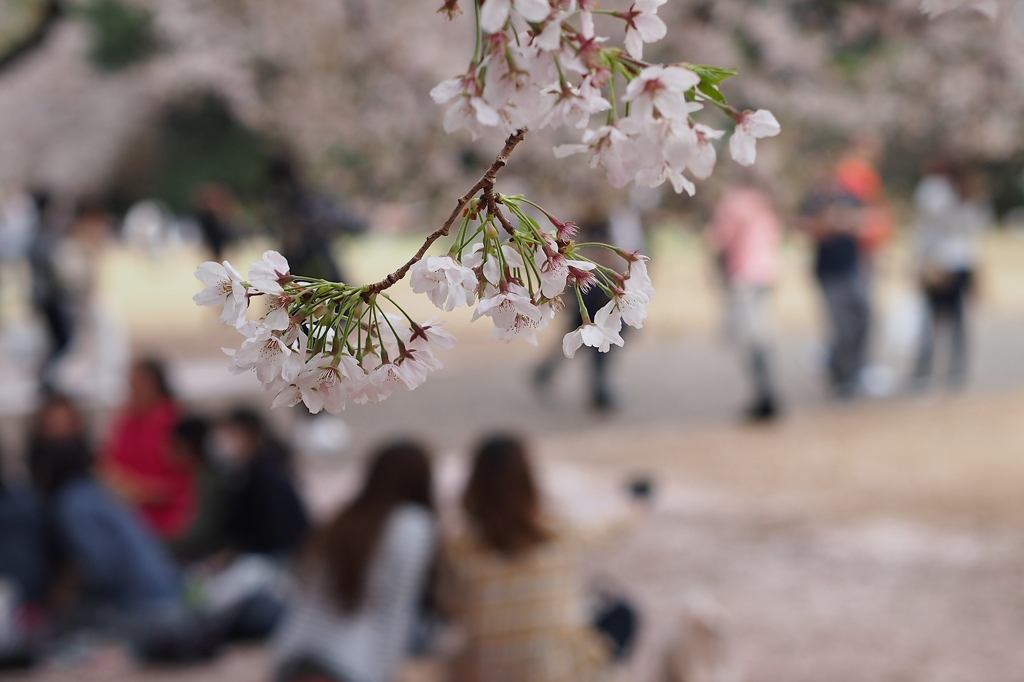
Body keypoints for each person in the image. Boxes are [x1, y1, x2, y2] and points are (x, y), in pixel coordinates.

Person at [443, 435, 635, 682]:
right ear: (528, 477)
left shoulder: (460, 544)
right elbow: (604, 529)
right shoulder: (554, 529)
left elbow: (454, 610)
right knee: (623, 614)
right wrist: (633, 510)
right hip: (559, 670)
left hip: (489, 669)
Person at [28, 438, 213, 661]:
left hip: (141, 604)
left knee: (66, 622)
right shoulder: (98, 493)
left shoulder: (70, 504)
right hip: (169, 592)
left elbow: (104, 567)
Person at [273, 441, 438, 682]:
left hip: (298, 651)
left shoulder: (346, 517)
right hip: (354, 662)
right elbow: (398, 609)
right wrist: (386, 671)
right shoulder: (415, 525)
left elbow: (306, 595)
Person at [910, 161, 990, 388]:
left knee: (931, 319)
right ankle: (957, 372)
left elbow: (930, 226)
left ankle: (924, 373)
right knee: (957, 320)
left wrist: (921, 259)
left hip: (940, 262)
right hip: (963, 261)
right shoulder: (969, 194)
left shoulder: (934, 190)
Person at [708, 184, 784, 421]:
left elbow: (718, 239)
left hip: (743, 276)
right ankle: (767, 393)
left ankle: (764, 396)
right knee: (761, 334)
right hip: (765, 274)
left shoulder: (733, 204)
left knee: (751, 339)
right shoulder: (763, 206)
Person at [102, 360, 194, 541]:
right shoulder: (126, 419)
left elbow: (180, 485)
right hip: (125, 514)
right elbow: (107, 461)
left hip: (166, 522)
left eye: (138, 384)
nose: (133, 390)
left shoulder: (174, 423)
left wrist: (137, 490)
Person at [800, 190, 869, 397]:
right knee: (842, 327)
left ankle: (854, 373)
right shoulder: (820, 202)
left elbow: (865, 226)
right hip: (830, 275)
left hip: (852, 272)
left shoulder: (851, 198)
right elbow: (814, 228)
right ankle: (842, 377)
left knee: (862, 321)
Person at [217, 409, 310, 557]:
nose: (225, 443)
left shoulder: (267, 475)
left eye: (232, 434)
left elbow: (275, 530)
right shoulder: (250, 471)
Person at [167, 417, 233, 563]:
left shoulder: (210, 479)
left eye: (175, 445)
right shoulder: (200, 475)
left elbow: (203, 530)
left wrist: (160, 545)